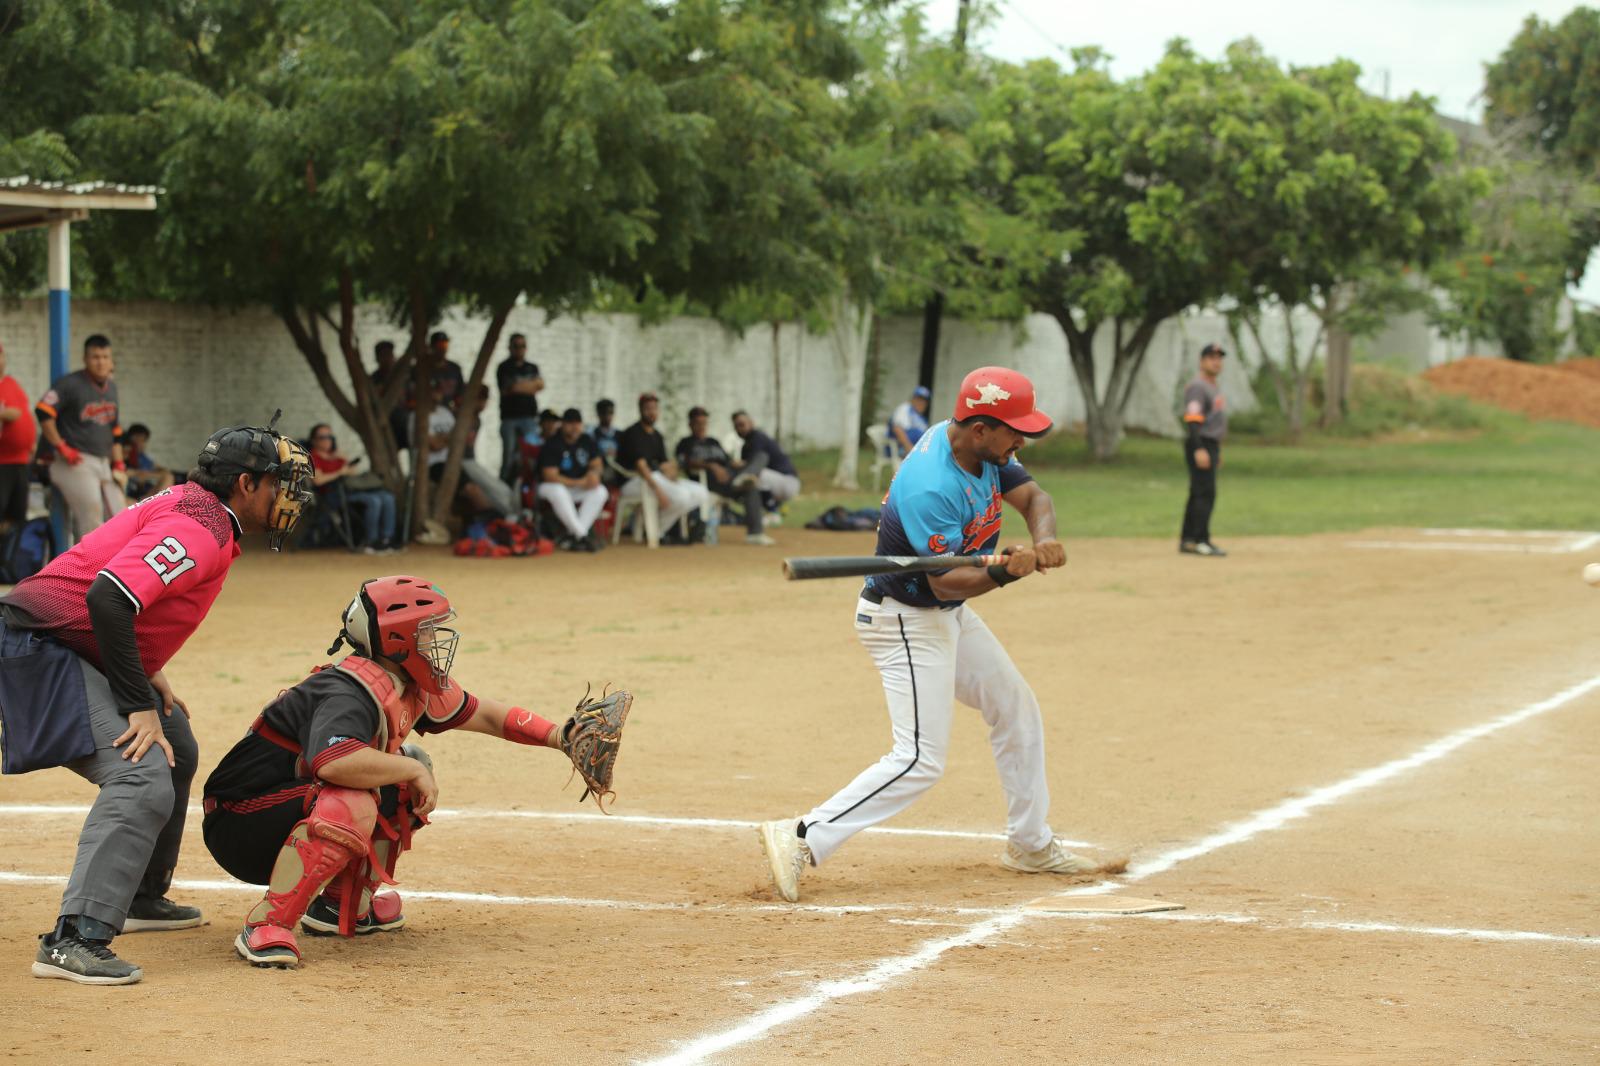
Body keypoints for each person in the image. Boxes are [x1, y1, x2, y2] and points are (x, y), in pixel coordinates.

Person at [757, 367, 1112, 903]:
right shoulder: (932, 484)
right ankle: (803, 835)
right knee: (920, 758)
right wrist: (1003, 572)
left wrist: (1045, 540)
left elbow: (1035, 500)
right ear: (978, 428)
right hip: (904, 618)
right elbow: (945, 583)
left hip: (944, 614)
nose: (1021, 441)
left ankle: (1030, 844)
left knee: (1015, 706)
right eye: (1014, 431)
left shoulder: (985, 450)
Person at [0, 416, 313, 985]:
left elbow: (117, 586)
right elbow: (107, 598)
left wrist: (151, 670)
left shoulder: (198, 507)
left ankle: (140, 896)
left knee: (179, 747)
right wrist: (136, 702)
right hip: (40, 647)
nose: (287, 495)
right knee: (141, 772)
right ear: (245, 484)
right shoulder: (203, 526)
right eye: (277, 481)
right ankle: (75, 938)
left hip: (64, 638)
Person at [201, 575, 630, 969]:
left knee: (404, 774)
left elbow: (488, 716)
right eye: (426, 631)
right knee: (360, 793)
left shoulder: (404, 684)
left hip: (282, 810)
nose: (436, 640)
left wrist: (561, 736)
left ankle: (340, 906)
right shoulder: (347, 692)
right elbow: (332, 762)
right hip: (241, 822)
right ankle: (266, 926)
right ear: (397, 639)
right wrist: (408, 767)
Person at [37, 334, 127, 544]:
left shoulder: (111, 388)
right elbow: (43, 411)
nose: (101, 361)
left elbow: (115, 429)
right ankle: (88, 572)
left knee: (121, 516)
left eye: (105, 357)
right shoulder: (71, 383)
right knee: (92, 520)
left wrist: (120, 462)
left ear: (111, 360)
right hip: (73, 461)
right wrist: (61, 446)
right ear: (85, 359)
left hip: (103, 462)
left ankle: (111, 569)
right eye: (95, 357)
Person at [616, 392, 709, 543]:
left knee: (700, 492)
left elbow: (664, 464)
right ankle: (656, 531)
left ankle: (656, 529)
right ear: (640, 410)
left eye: (654, 408)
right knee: (681, 496)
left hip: (656, 479)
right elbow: (641, 467)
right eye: (648, 408)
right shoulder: (632, 433)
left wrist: (673, 475)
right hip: (634, 481)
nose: (652, 412)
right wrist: (659, 490)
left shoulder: (657, 436)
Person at [676, 406, 772, 546]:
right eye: (698, 423)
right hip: (709, 482)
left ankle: (755, 534)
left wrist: (740, 464)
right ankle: (743, 478)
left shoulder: (713, 441)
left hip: (730, 477)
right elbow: (684, 463)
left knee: (761, 458)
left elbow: (727, 461)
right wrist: (711, 466)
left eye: (705, 423)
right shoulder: (685, 443)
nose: (702, 427)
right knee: (748, 484)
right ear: (690, 424)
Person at [306, 423, 398, 553]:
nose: (328, 440)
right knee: (374, 501)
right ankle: (371, 541)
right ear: (314, 440)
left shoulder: (337, 456)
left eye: (330, 436)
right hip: (333, 495)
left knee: (387, 498)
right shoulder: (313, 457)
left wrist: (345, 462)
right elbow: (318, 481)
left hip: (351, 490)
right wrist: (339, 473)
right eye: (323, 437)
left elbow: (353, 474)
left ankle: (386, 539)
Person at [1179, 343, 1228, 558]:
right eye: (1211, 357)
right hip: (1201, 442)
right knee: (1204, 493)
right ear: (1202, 361)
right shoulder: (1198, 387)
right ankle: (1200, 540)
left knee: (1199, 492)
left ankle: (1189, 540)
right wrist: (1200, 448)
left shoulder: (1212, 386)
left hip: (1210, 444)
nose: (1216, 361)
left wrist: (1217, 450)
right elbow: (1193, 420)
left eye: (1219, 358)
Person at [537, 408, 607, 551]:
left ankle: (574, 536)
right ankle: (582, 535)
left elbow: (597, 465)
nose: (574, 427)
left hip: (577, 487)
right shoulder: (553, 442)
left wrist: (594, 474)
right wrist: (580, 482)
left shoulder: (586, 440)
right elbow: (549, 475)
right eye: (570, 423)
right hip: (550, 486)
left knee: (600, 491)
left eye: (578, 423)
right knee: (558, 491)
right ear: (562, 424)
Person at [0, 337, 37, 536]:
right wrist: (5, 414)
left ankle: (10, 561)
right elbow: (13, 413)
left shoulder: (11, 383)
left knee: (16, 518)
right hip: (2, 462)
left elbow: (24, 414)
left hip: (21, 462)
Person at [495, 333, 543, 485]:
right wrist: (529, 386)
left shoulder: (532, 367)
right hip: (510, 418)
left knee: (530, 456)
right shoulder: (504, 367)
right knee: (509, 457)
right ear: (510, 347)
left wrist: (521, 386)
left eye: (522, 346)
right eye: (516, 346)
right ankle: (503, 490)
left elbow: (540, 386)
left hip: (529, 418)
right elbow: (510, 388)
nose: (519, 349)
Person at [731, 410, 801, 512]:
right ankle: (770, 510)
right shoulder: (746, 445)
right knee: (749, 480)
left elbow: (755, 464)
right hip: (775, 481)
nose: (739, 429)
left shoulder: (758, 438)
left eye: (742, 424)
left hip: (788, 481)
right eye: (736, 426)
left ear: (751, 423)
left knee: (750, 477)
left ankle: (773, 510)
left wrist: (737, 466)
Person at [119, 424, 176, 501]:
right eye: (138, 439)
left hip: (146, 491)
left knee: (169, 477)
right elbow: (131, 473)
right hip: (132, 493)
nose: (141, 444)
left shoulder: (143, 457)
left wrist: (149, 474)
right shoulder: (124, 456)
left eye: (143, 440)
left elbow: (161, 469)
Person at [887, 384, 932, 457]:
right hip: (897, 449)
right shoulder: (905, 408)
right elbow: (897, 428)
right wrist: (910, 449)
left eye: (924, 401)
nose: (921, 403)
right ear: (913, 399)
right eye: (919, 399)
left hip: (916, 450)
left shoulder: (922, 419)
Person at [428, 331, 464, 413]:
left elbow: (460, 394)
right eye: (439, 345)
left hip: (449, 411)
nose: (442, 349)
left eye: (445, 345)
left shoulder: (455, 368)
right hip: (428, 411)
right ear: (432, 347)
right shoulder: (423, 369)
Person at [591, 398, 621, 485]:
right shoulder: (592, 435)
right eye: (604, 413)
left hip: (617, 469)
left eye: (610, 413)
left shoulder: (620, 434)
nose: (607, 416)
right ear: (598, 414)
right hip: (601, 470)